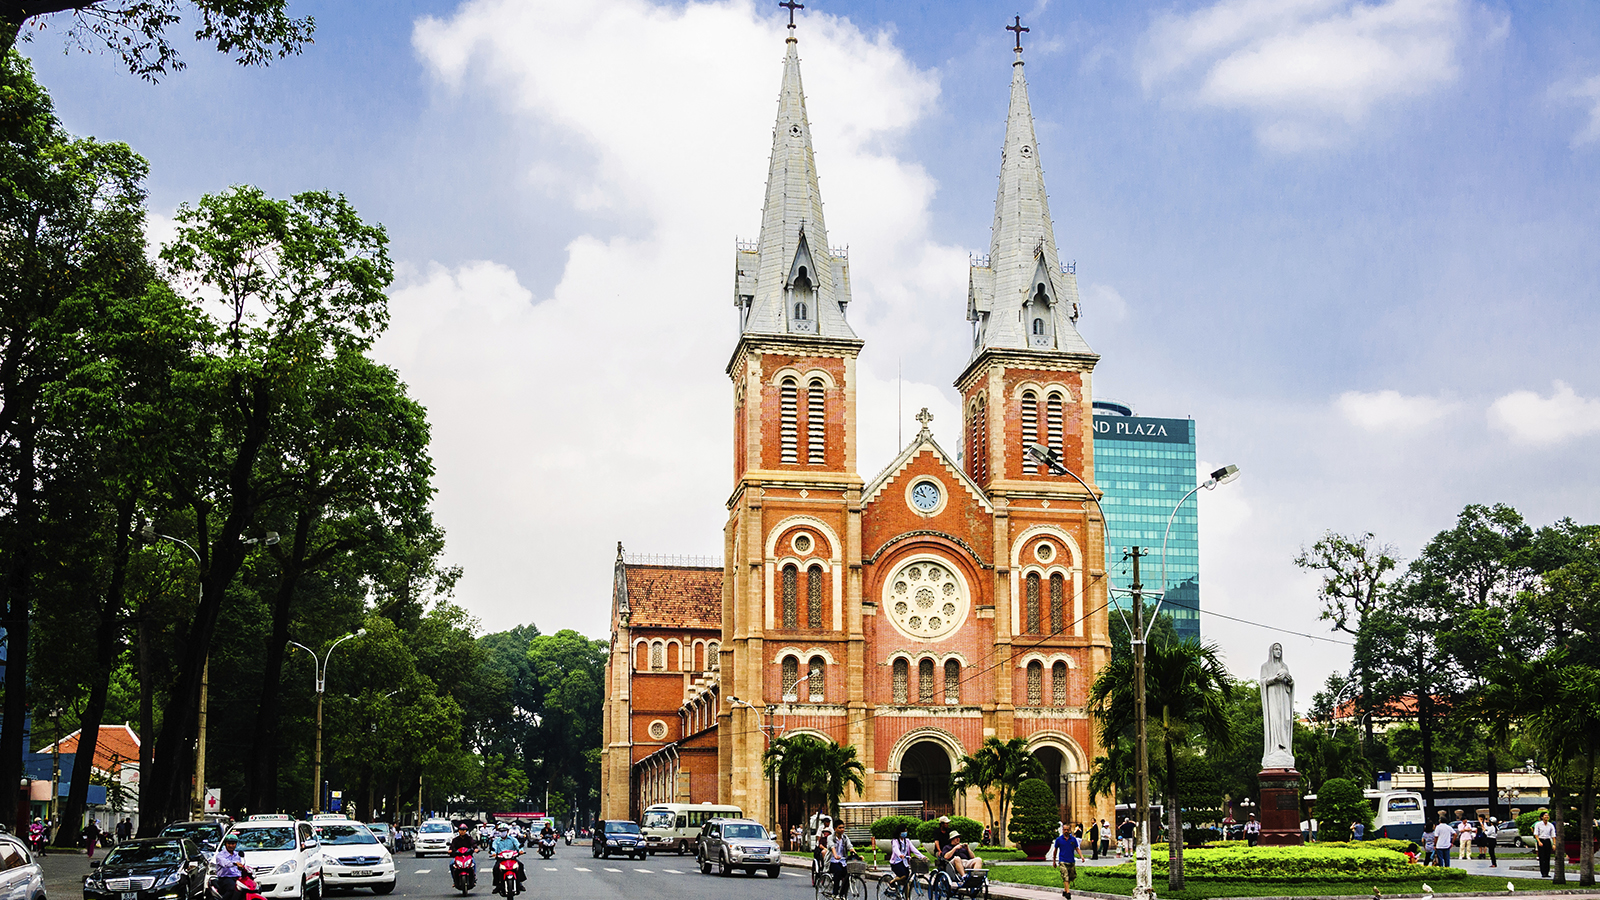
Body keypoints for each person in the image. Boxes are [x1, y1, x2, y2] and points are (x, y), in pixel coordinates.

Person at [887, 827, 926, 894]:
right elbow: (895, 849)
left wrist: (922, 856)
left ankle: (907, 898)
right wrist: (900, 855)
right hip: (896, 863)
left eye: (906, 831)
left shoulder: (907, 841)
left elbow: (914, 849)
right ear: (899, 833)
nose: (905, 833)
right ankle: (891, 882)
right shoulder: (895, 841)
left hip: (904, 862)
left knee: (906, 880)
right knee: (903, 875)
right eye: (904, 831)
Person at [213, 834, 251, 900]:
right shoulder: (220, 855)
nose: (231, 845)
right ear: (225, 844)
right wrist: (235, 864)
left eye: (233, 843)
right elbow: (226, 864)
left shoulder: (237, 855)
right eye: (229, 843)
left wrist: (242, 868)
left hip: (237, 877)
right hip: (225, 878)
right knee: (233, 889)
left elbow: (239, 867)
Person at [1047, 822, 1080, 900]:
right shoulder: (1059, 840)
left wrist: (1081, 857)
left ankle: (1065, 890)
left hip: (1071, 860)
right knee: (1065, 876)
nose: (1066, 831)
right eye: (1064, 829)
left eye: (1067, 830)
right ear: (1062, 830)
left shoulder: (1073, 839)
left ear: (1070, 830)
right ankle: (1068, 893)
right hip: (1062, 860)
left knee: (1071, 876)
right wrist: (1054, 861)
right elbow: (1055, 851)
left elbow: (1077, 848)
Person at [490, 824, 524, 892]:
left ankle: (519, 883)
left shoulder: (513, 839)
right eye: (500, 831)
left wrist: (521, 851)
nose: (502, 832)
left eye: (504, 831)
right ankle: (498, 885)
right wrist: (493, 853)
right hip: (501, 859)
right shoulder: (496, 841)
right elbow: (494, 848)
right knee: (496, 868)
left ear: (507, 831)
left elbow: (518, 846)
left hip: (512, 858)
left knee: (520, 865)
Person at [828, 823, 853, 899]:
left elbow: (850, 846)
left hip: (843, 861)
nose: (842, 829)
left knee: (848, 874)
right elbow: (832, 847)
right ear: (835, 829)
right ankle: (835, 893)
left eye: (843, 827)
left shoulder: (845, 838)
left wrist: (856, 855)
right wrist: (835, 855)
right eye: (840, 828)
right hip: (832, 861)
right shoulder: (830, 837)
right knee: (838, 871)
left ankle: (842, 894)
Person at [1533, 811, 1556, 878]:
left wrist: (1554, 844)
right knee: (1542, 857)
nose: (1546, 817)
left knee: (1547, 857)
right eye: (1545, 815)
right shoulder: (1538, 824)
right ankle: (1543, 872)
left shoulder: (1550, 825)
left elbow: (1553, 835)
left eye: (1547, 815)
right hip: (1541, 840)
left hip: (1547, 841)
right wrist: (1539, 842)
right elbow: (1536, 834)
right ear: (1542, 817)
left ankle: (1547, 872)